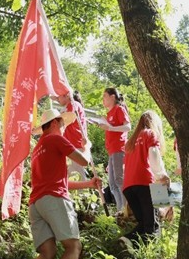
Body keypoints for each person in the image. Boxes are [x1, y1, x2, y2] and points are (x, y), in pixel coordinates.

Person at [20, 109, 101, 259]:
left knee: (47, 252)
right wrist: (87, 148)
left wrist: (89, 184)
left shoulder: (37, 149)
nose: (64, 128)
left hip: (36, 203)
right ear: (55, 123)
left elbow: (61, 182)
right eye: (63, 124)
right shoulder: (55, 138)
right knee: (73, 246)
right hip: (54, 200)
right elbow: (82, 160)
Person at [121, 111, 170, 246]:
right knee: (152, 226)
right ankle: (153, 255)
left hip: (128, 187)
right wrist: (162, 175)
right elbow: (153, 156)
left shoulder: (131, 141)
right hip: (144, 184)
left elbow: (125, 167)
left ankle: (127, 240)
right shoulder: (150, 134)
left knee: (144, 223)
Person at [98, 87, 131, 215]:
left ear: (113, 97)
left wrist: (110, 128)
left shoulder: (119, 109)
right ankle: (120, 210)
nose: (103, 99)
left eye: (105, 96)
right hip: (112, 152)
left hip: (119, 149)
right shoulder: (109, 114)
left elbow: (128, 127)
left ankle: (127, 209)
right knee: (112, 184)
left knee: (119, 180)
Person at [57, 90, 90, 180]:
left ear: (67, 96)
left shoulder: (73, 104)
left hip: (75, 142)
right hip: (71, 142)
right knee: (71, 170)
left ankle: (82, 191)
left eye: (59, 96)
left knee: (77, 171)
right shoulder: (69, 106)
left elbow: (68, 118)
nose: (57, 98)